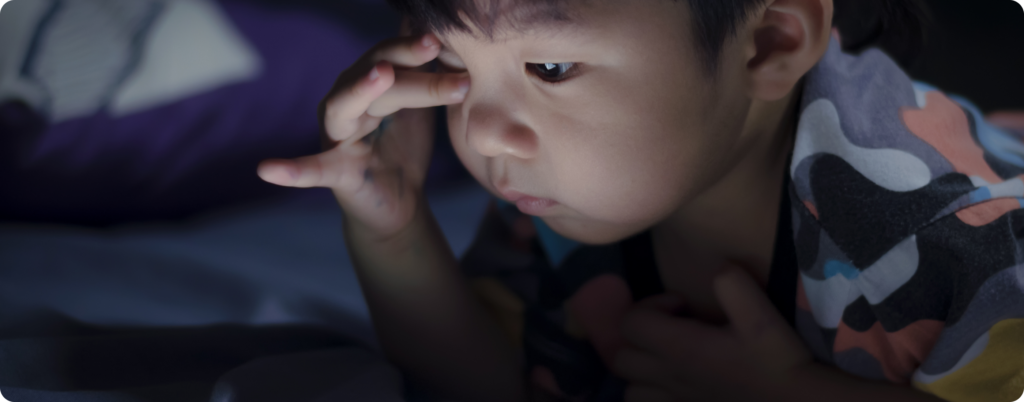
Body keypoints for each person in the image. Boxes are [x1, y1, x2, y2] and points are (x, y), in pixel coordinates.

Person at [257, 0, 1024, 400]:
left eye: (551, 66)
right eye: (454, 64)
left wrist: (787, 394)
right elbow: (493, 383)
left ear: (770, 44)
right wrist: (394, 229)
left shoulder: (940, 239)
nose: (484, 135)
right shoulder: (564, 195)